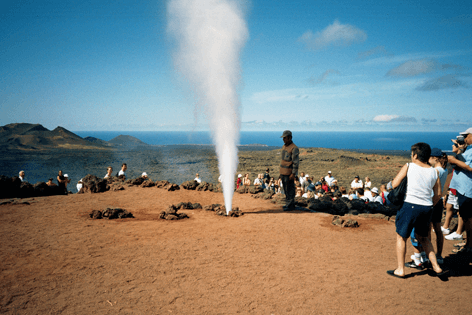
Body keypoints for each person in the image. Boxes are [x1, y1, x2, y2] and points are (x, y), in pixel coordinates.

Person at [387, 142, 444, 279]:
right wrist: (430, 204)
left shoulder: (409, 166)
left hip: (409, 205)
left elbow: (395, 184)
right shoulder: (434, 172)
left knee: (402, 236)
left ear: (415, 155)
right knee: (424, 238)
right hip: (426, 208)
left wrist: (387, 186)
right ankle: (436, 266)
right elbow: (438, 194)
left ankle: (400, 269)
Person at [446, 127, 472, 254]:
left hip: (468, 189)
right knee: (466, 217)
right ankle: (468, 243)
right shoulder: (469, 149)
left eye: (466, 136)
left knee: (468, 217)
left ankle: (470, 246)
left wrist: (454, 160)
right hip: (462, 188)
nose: (464, 138)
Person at [279, 130, 299, 211]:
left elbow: (295, 162)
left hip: (289, 173)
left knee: (290, 189)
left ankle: (290, 205)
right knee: (285, 188)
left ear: (290, 138)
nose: (283, 139)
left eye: (285, 138)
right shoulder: (284, 146)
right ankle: (288, 203)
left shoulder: (294, 148)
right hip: (283, 172)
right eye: (283, 138)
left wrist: (293, 174)